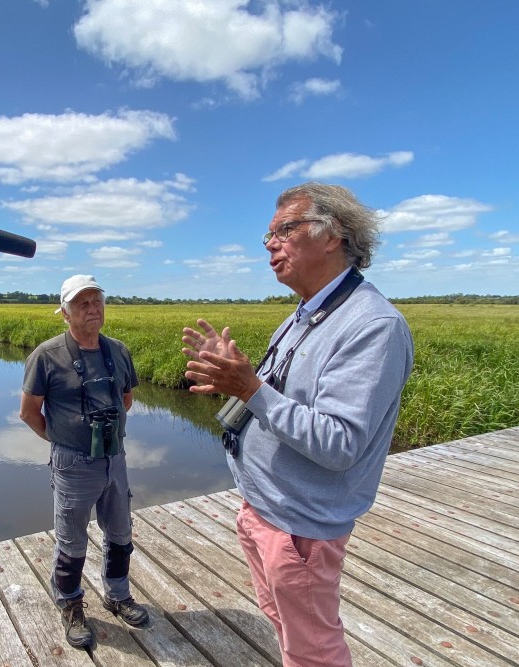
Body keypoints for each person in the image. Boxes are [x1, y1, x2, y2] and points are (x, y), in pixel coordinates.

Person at [182, 182, 413, 667]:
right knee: (285, 624)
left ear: (333, 236)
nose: (271, 244)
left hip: (301, 525)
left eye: (285, 230)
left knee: (314, 651)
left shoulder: (371, 325)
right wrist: (234, 380)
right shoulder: (303, 315)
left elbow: (340, 442)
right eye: (268, 234)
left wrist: (250, 388)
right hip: (264, 507)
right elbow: (279, 399)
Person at [20, 274, 149, 648]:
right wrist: (63, 439)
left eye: (97, 302)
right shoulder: (46, 355)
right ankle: (71, 603)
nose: (92, 309)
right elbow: (29, 412)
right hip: (73, 463)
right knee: (72, 541)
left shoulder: (119, 350)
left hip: (115, 459)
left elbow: (126, 398)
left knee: (121, 533)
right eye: (82, 304)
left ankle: (118, 594)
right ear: (64, 312)